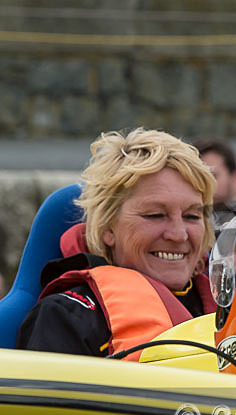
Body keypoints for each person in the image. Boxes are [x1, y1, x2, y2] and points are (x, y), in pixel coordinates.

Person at [17, 128, 217, 359]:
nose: (179, 235)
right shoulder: (64, 319)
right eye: (155, 215)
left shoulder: (232, 309)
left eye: (192, 216)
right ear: (108, 228)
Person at [192, 137, 236, 232]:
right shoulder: (190, 216)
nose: (204, 185)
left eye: (213, 176)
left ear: (235, 177)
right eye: (198, 178)